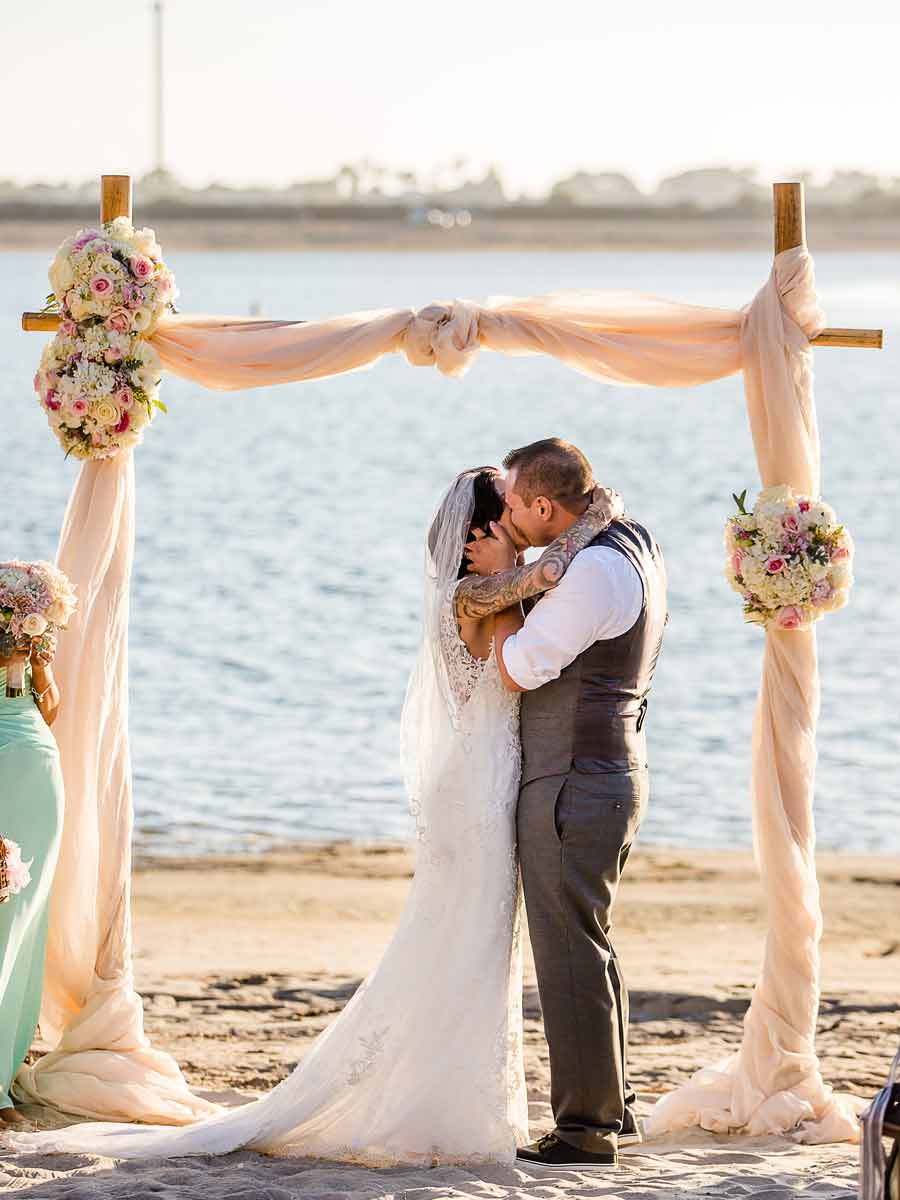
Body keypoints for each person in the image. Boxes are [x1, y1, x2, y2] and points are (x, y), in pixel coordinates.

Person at [9, 465, 622, 1165]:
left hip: (484, 777)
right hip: (479, 788)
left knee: (474, 942)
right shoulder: (475, 592)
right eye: (506, 509)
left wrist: (551, 543)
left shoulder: (490, 582)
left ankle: (457, 1098)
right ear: (482, 530)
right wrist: (575, 531)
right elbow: (513, 640)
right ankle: (444, 1110)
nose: (517, 515)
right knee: (467, 940)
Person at [464, 438, 667, 1172]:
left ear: (545, 506)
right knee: (590, 941)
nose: (510, 513)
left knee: (569, 952)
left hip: (574, 780)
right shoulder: (631, 541)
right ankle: (616, 1109)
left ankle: (585, 1130)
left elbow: (517, 669)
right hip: (609, 770)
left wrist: (506, 583)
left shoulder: (591, 574)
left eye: (516, 503)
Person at [0, 632, 64, 1128]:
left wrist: (38, 666)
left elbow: (49, 712)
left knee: (23, 924)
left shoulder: (24, 624)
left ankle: (3, 1071)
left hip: (38, 772)